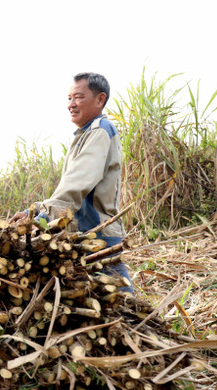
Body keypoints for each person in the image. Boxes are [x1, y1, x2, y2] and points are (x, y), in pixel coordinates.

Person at [9, 72, 134, 293]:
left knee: (123, 301)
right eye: (69, 98)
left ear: (100, 99)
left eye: (78, 97)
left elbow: (76, 186)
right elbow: (68, 190)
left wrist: (43, 218)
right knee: (101, 300)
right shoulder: (84, 135)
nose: (71, 104)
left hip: (99, 232)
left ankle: (143, 328)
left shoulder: (100, 131)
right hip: (84, 230)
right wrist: (35, 211)